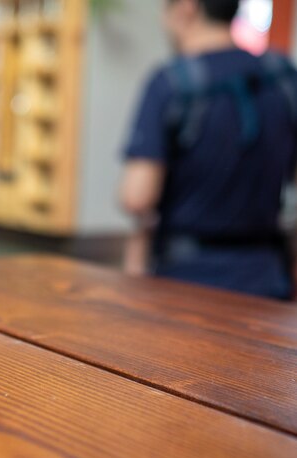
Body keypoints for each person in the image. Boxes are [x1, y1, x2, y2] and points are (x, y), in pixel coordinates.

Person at [120, 0, 297, 300]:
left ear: (187, 9)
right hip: (266, 278)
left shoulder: (172, 82)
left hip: (183, 282)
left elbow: (137, 198)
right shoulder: (283, 77)